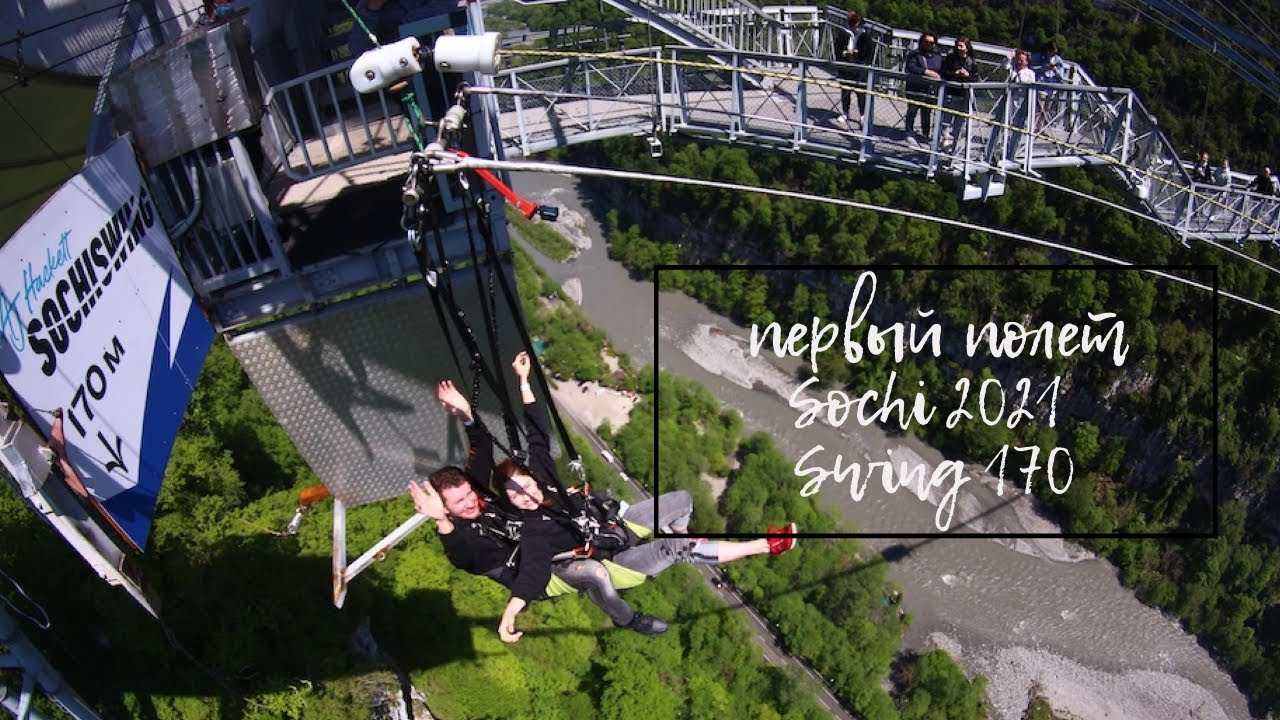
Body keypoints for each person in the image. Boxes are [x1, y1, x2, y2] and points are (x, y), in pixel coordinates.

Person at [495, 351, 798, 643]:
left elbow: (537, 431)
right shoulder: (532, 526)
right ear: (509, 502)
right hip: (609, 561)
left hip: (611, 527)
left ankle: (689, 539)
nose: (526, 495)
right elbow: (532, 572)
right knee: (675, 548)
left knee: (682, 500)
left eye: (525, 485)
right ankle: (766, 545)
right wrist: (512, 611)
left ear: (532, 477)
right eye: (515, 496)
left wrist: (523, 381)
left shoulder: (543, 479)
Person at [407, 381, 666, 636]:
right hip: (534, 578)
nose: (470, 501)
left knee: (591, 521)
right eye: (459, 502)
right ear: (447, 509)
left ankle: (630, 547)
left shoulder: (480, 499)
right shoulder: (465, 539)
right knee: (595, 574)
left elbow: (484, 447)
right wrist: (441, 521)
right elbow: (463, 555)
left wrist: (466, 415)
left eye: (469, 494)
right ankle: (627, 618)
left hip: (543, 543)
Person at [834, 11, 875, 127]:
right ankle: (845, 113)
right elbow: (837, 51)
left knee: (861, 93)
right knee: (845, 92)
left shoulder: (865, 36)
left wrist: (858, 55)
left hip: (859, 69)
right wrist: (846, 54)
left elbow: (869, 53)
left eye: (856, 23)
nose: (855, 26)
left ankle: (862, 115)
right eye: (852, 23)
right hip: (846, 67)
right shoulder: (843, 34)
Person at [903, 33, 943, 146]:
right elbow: (910, 67)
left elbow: (941, 70)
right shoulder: (915, 54)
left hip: (930, 90)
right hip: (915, 87)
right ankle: (909, 132)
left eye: (931, 43)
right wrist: (926, 72)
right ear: (921, 42)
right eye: (926, 42)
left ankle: (925, 134)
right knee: (912, 110)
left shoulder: (937, 56)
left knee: (927, 112)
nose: (929, 45)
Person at [939, 35, 975, 150]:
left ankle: (955, 146)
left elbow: (975, 78)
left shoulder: (971, 62)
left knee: (959, 123)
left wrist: (967, 75)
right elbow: (943, 72)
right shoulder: (950, 59)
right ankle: (943, 143)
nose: (959, 48)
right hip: (950, 93)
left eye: (961, 46)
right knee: (946, 121)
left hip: (964, 96)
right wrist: (955, 73)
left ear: (967, 47)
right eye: (957, 45)